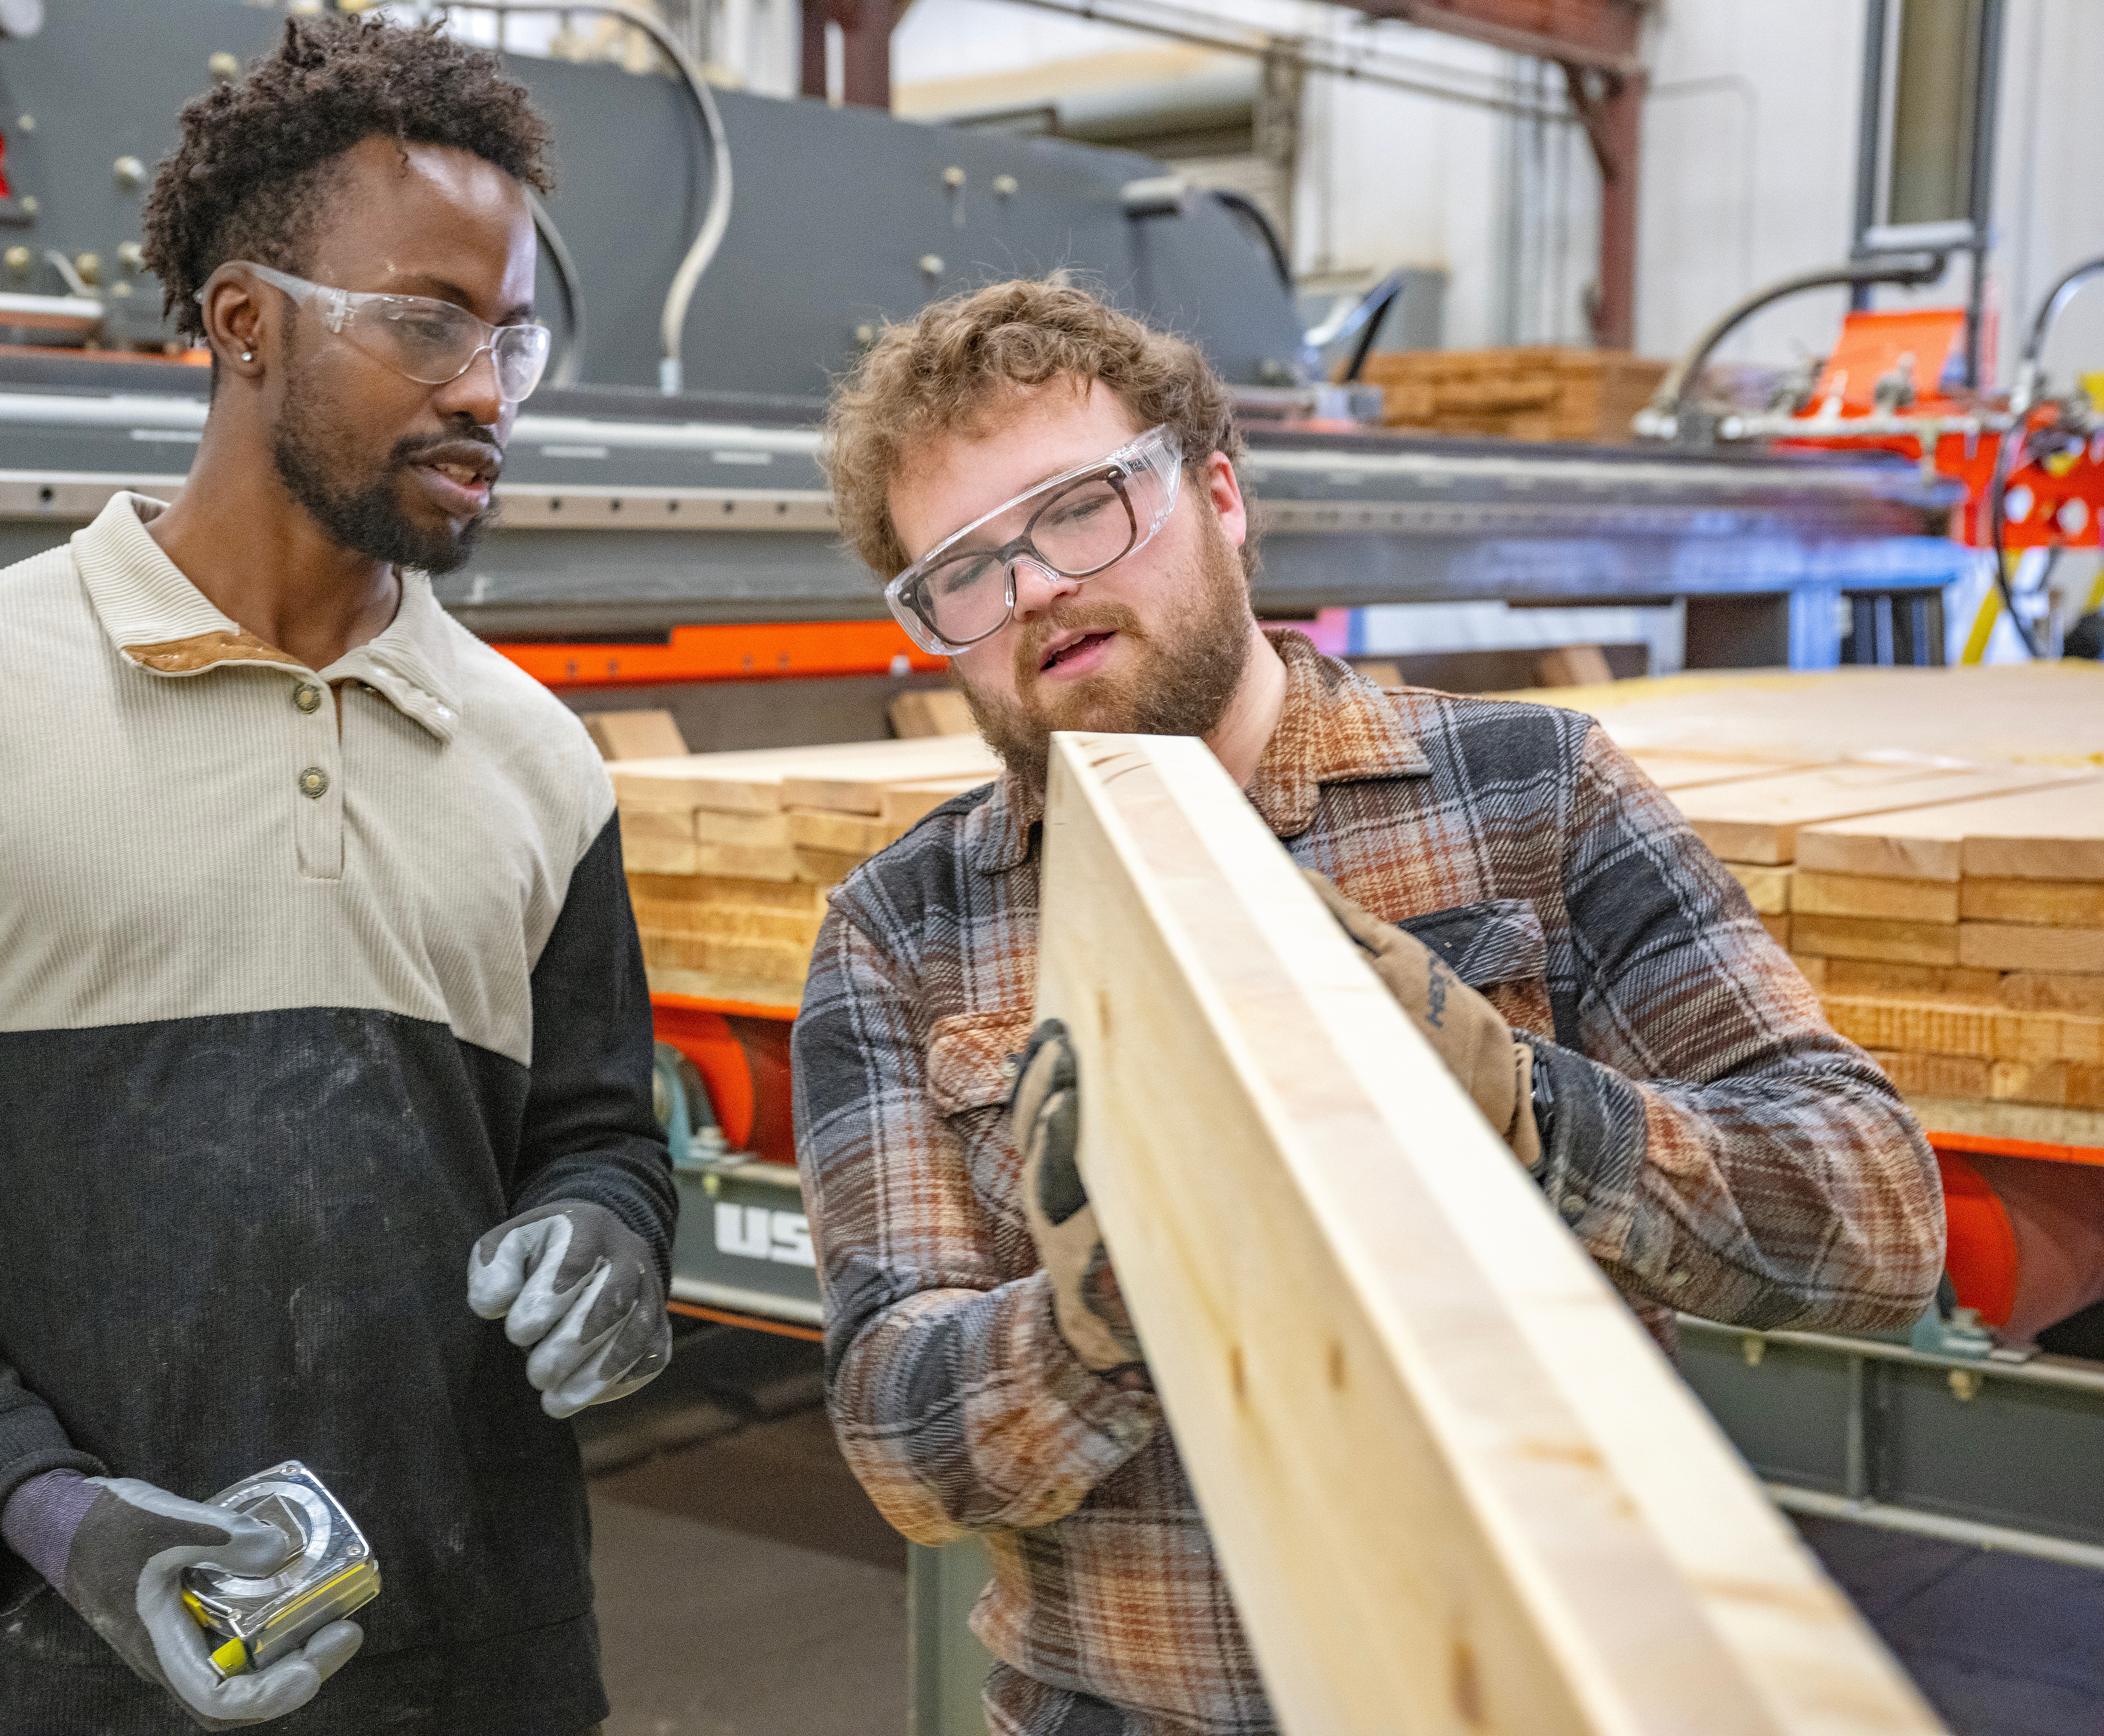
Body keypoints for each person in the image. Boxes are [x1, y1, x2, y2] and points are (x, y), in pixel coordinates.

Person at [0, 18, 671, 1733]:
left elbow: (597, 1129)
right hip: (78, 1673)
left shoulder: (538, 759)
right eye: (427, 320)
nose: (486, 389)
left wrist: (608, 1229)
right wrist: (50, 1516)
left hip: (490, 1667)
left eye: (509, 332)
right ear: (243, 323)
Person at [793, 280, 1945, 1736]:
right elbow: (902, 1438)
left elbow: (1881, 1220)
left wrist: (1527, 1113)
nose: (1030, 589)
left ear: (1220, 495)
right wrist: (1112, 1299)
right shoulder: (903, 931)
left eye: (1080, 510)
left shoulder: (1535, 796)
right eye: (963, 568)